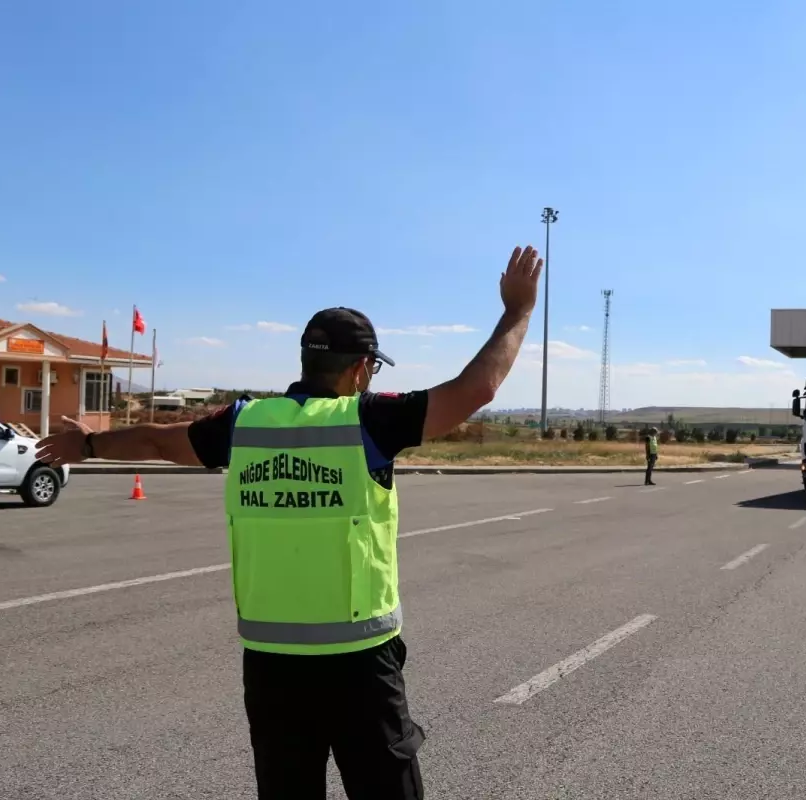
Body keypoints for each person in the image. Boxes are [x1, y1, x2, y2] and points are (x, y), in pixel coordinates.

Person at [35, 245, 543, 800]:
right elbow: (476, 390)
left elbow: (160, 437)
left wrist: (87, 443)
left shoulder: (245, 424)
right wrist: (516, 313)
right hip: (359, 665)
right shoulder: (367, 419)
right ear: (359, 369)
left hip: (272, 666)